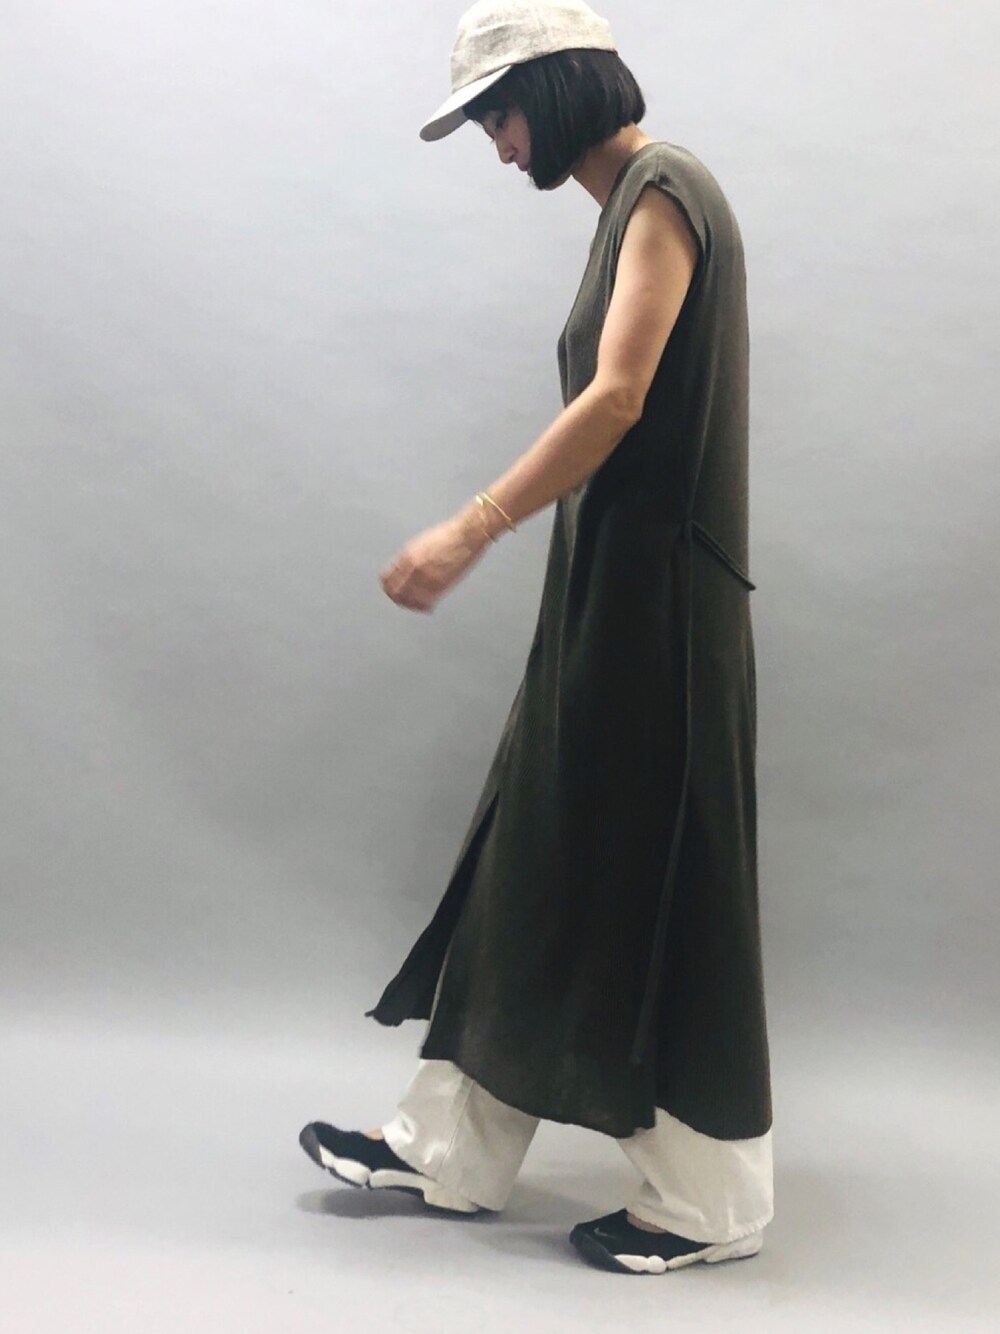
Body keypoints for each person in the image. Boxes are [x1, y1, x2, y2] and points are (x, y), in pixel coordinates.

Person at [299, 0, 774, 1275]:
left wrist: (471, 527)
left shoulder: (663, 190)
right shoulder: (626, 208)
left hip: (660, 609)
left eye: (499, 117)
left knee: (659, 881)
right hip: (611, 591)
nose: (500, 147)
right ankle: (449, 1147)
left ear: (559, 91)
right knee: (537, 848)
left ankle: (712, 1201)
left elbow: (618, 397)